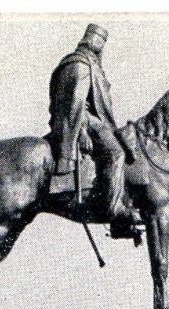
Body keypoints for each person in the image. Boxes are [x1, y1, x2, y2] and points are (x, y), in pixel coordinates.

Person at [48, 23, 137, 236]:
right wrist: (81, 132)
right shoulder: (80, 65)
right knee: (116, 153)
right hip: (84, 120)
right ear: (92, 41)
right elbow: (74, 104)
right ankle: (113, 207)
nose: (101, 47)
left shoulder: (81, 63)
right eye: (100, 42)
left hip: (85, 119)